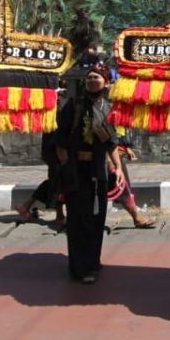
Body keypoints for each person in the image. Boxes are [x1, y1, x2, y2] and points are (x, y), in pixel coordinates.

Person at [52, 61, 125, 284]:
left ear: (106, 82)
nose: (93, 81)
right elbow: (60, 139)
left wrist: (118, 167)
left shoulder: (109, 107)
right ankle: (79, 268)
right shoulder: (73, 105)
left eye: (97, 77)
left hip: (98, 170)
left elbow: (111, 142)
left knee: (97, 216)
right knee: (78, 218)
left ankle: (93, 260)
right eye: (90, 77)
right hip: (76, 169)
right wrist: (65, 165)